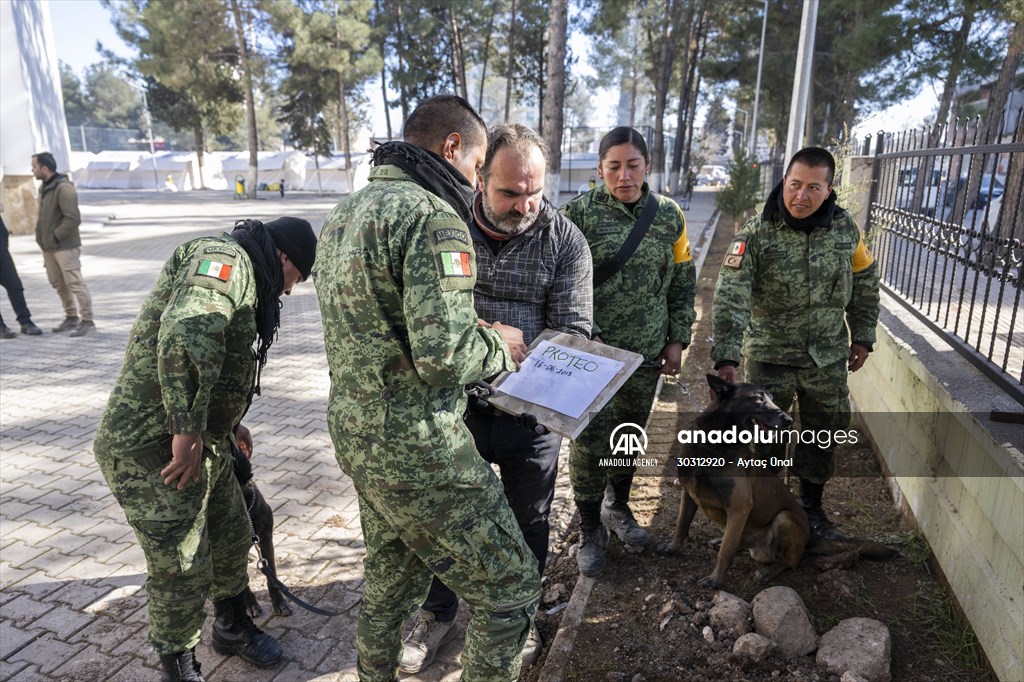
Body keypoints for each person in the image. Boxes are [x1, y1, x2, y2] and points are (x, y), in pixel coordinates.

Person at [316, 95, 541, 682]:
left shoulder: (348, 211)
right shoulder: (434, 218)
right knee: (512, 588)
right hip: (420, 447)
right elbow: (444, 358)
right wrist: (502, 346)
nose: (473, 182)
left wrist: (470, 328)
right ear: (451, 148)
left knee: (393, 580)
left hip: (361, 436)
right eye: (475, 168)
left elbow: (384, 325)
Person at [400, 123, 593, 674]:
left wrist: (544, 355)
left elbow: (573, 329)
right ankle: (436, 614)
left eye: (534, 192)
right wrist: (489, 335)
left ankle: (520, 616)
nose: (524, 205)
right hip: (451, 407)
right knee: (445, 515)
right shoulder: (445, 225)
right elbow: (426, 314)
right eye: (510, 193)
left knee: (528, 519)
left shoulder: (565, 240)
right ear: (480, 177)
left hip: (529, 414)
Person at [93, 216, 317, 681]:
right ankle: (179, 665)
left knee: (232, 535)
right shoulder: (225, 260)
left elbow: (220, 353)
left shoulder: (247, 269)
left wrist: (230, 425)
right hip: (151, 446)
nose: (291, 291)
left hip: (201, 441)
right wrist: (188, 429)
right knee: (182, 564)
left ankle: (232, 627)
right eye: (297, 278)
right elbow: (187, 332)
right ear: (284, 258)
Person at [711, 146, 880, 540]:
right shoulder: (756, 233)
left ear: (830, 188)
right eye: (794, 185)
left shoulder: (845, 230)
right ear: (784, 181)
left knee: (823, 435)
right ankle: (762, 512)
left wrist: (864, 336)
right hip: (769, 359)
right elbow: (730, 297)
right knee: (763, 442)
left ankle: (811, 510)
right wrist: (727, 357)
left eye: (813, 188)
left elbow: (866, 284)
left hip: (826, 357)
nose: (801, 197)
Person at [560, 127, 697, 577]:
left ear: (647, 166)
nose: (624, 175)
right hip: (591, 355)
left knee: (627, 435)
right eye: (613, 166)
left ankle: (617, 506)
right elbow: (562, 286)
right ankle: (588, 526)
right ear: (600, 170)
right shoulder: (576, 215)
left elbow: (682, 283)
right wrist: (586, 334)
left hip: (646, 355)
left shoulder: (669, 216)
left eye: (632, 164)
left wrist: (677, 338)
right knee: (589, 441)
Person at [31, 152, 95, 336]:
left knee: (75, 283)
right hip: (49, 248)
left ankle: (88, 321)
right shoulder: (45, 187)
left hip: (65, 246)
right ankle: (71, 317)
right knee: (58, 283)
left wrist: (55, 236)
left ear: (45, 168)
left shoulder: (64, 188)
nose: (32, 169)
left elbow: (73, 219)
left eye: (34, 166)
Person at [0, 215, 43, 339]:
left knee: (15, 287)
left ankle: (25, 322)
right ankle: (1, 327)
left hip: (3, 255)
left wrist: (3, 248)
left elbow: (3, 232)